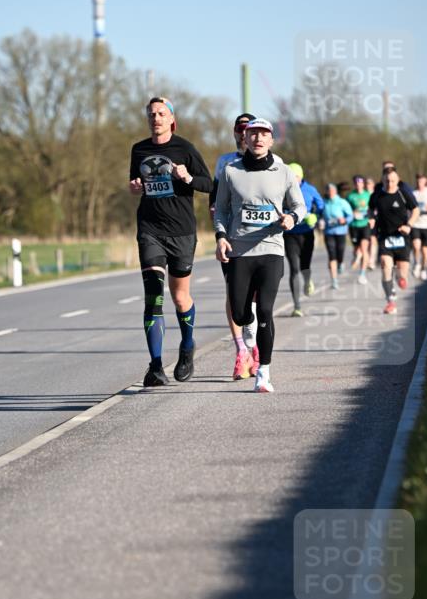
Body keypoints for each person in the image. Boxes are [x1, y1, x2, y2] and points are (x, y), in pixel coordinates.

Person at [214, 118, 306, 392]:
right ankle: (249, 333)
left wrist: (291, 218)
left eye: (263, 134)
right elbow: (221, 210)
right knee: (242, 314)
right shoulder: (231, 171)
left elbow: (299, 205)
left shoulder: (284, 171)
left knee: (265, 309)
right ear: (245, 138)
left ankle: (263, 371)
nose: (257, 138)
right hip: (240, 250)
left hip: (271, 249)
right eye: (252, 134)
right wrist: (220, 237)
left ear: (270, 140)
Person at [129, 97, 212, 386]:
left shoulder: (185, 148)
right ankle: (155, 366)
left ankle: (187, 348)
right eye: (152, 114)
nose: (156, 118)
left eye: (161, 113)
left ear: (171, 119)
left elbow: (208, 183)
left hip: (182, 231)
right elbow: (135, 186)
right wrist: (134, 187)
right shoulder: (139, 150)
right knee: (154, 296)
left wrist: (187, 176)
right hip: (150, 229)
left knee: (179, 297)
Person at [209, 112, 259, 379]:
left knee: (256, 296)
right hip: (231, 237)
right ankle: (241, 351)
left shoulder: (266, 160)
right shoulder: (225, 162)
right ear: (235, 133)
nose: (244, 134)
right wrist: (219, 230)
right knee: (234, 293)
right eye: (240, 129)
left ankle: (256, 345)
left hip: (259, 239)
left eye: (249, 129)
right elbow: (214, 198)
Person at [368, 167, 419, 314]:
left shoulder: (403, 194)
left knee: (402, 275)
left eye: (392, 180)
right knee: (385, 265)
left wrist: (409, 225)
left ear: (398, 180)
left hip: (402, 237)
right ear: (382, 180)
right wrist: (371, 218)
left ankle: (400, 277)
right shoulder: (377, 195)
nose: (390, 183)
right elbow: (370, 209)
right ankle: (390, 301)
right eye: (387, 180)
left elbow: (415, 210)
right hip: (385, 237)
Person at [285, 162, 324, 316]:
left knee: (304, 267)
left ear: (301, 177)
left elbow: (321, 207)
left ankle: (307, 281)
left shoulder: (310, 190)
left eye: (296, 177)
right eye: (291, 177)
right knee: (294, 269)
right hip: (290, 235)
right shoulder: (282, 190)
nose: (294, 181)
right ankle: (297, 306)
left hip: (307, 233)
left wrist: (315, 216)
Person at [322, 183, 353, 289]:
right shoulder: (324, 203)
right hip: (328, 232)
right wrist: (320, 221)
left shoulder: (342, 202)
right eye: (327, 191)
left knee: (340, 252)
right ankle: (334, 280)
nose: (329, 193)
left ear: (335, 191)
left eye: (331, 191)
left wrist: (344, 220)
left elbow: (350, 215)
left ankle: (341, 263)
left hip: (340, 232)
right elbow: (318, 215)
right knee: (331, 255)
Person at [346, 174, 371, 284]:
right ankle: (357, 255)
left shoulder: (368, 195)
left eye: (360, 182)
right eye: (356, 182)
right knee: (357, 250)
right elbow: (346, 211)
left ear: (363, 183)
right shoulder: (350, 196)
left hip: (365, 225)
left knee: (364, 249)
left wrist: (368, 215)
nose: (358, 184)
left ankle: (362, 274)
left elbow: (373, 209)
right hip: (354, 226)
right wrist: (352, 213)